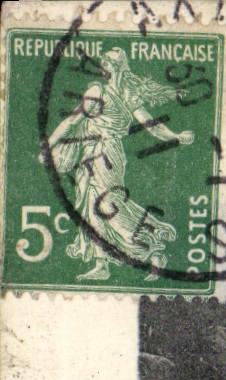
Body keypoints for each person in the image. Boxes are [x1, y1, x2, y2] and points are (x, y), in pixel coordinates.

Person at [46, 47, 194, 282]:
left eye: (105, 63)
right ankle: (102, 263)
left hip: (102, 154)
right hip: (102, 154)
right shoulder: (128, 95)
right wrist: (175, 137)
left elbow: (72, 121)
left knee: (107, 205)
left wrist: (48, 145)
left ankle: (151, 249)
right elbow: (152, 126)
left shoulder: (99, 91)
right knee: (92, 206)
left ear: (111, 67)